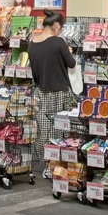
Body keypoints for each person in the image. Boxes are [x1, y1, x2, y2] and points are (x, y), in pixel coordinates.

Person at [27, 11, 78, 166]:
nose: (60, 32)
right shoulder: (58, 42)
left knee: (43, 130)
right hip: (59, 92)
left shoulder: (32, 44)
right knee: (60, 130)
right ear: (56, 25)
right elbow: (72, 64)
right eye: (61, 28)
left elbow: (35, 73)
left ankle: (43, 162)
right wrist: (68, 52)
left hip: (41, 92)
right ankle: (57, 165)